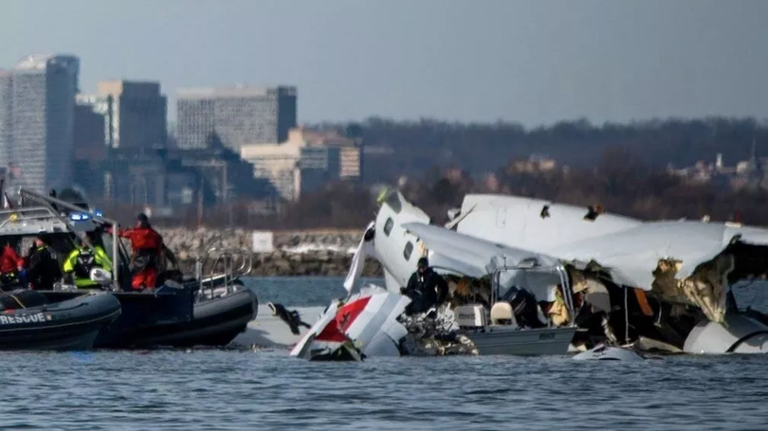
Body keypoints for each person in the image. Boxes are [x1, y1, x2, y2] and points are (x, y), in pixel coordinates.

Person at [110, 213, 164, 291]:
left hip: (140, 259)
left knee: (138, 279)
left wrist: (110, 230)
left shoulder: (134, 232)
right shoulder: (155, 234)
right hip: (153, 259)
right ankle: (150, 293)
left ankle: (138, 293)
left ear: (139, 222)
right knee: (151, 280)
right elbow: (159, 249)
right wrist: (158, 260)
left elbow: (120, 233)